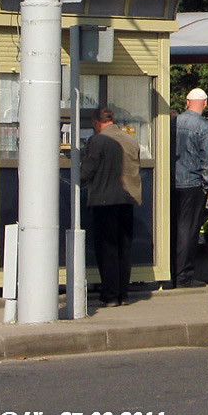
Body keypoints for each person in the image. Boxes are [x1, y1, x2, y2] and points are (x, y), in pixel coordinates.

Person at [80, 108, 141, 306]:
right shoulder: (130, 140)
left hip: (105, 199)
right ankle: (123, 294)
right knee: (124, 247)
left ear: (97, 123)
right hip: (128, 198)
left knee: (107, 248)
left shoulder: (97, 140)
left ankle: (110, 294)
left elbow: (87, 171)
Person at [173, 88, 208, 287]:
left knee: (175, 227)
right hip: (193, 184)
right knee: (188, 230)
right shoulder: (204, 127)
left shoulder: (174, 123)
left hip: (173, 183)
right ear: (205, 103)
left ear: (186, 101)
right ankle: (184, 275)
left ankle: (171, 271)